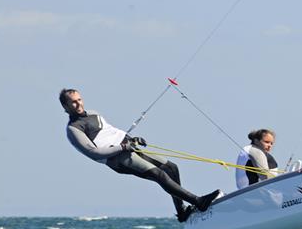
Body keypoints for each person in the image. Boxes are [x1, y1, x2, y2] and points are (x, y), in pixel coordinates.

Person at [60, 88, 220, 222]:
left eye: (79, 99)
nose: (78, 104)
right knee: (159, 175)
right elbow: (94, 153)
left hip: (129, 147)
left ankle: (182, 212)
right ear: (66, 107)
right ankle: (198, 202)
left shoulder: (93, 113)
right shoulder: (73, 129)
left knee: (171, 168)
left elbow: (111, 132)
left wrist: (132, 140)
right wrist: (123, 147)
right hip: (118, 158)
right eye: (73, 102)